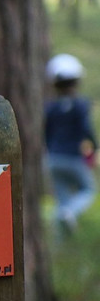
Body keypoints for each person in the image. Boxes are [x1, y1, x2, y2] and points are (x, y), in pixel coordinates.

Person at [44, 53, 97, 234]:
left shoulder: (51, 107)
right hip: (73, 158)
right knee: (88, 190)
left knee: (62, 199)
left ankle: (61, 241)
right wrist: (95, 149)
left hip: (53, 159)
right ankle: (69, 213)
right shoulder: (80, 105)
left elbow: (46, 133)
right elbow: (86, 130)